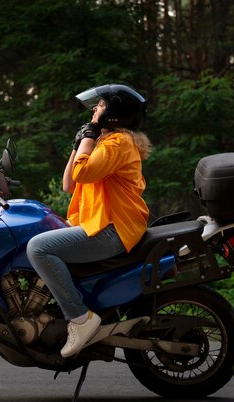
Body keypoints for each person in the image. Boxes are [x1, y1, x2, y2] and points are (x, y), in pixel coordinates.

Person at [26, 84, 151, 357]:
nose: (95, 109)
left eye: (101, 106)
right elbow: (69, 183)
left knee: (38, 248)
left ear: (114, 114)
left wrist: (89, 136)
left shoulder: (118, 144)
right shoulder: (107, 143)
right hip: (102, 225)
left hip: (113, 230)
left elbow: (81, 173)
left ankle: (81, 318)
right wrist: (81, 141)